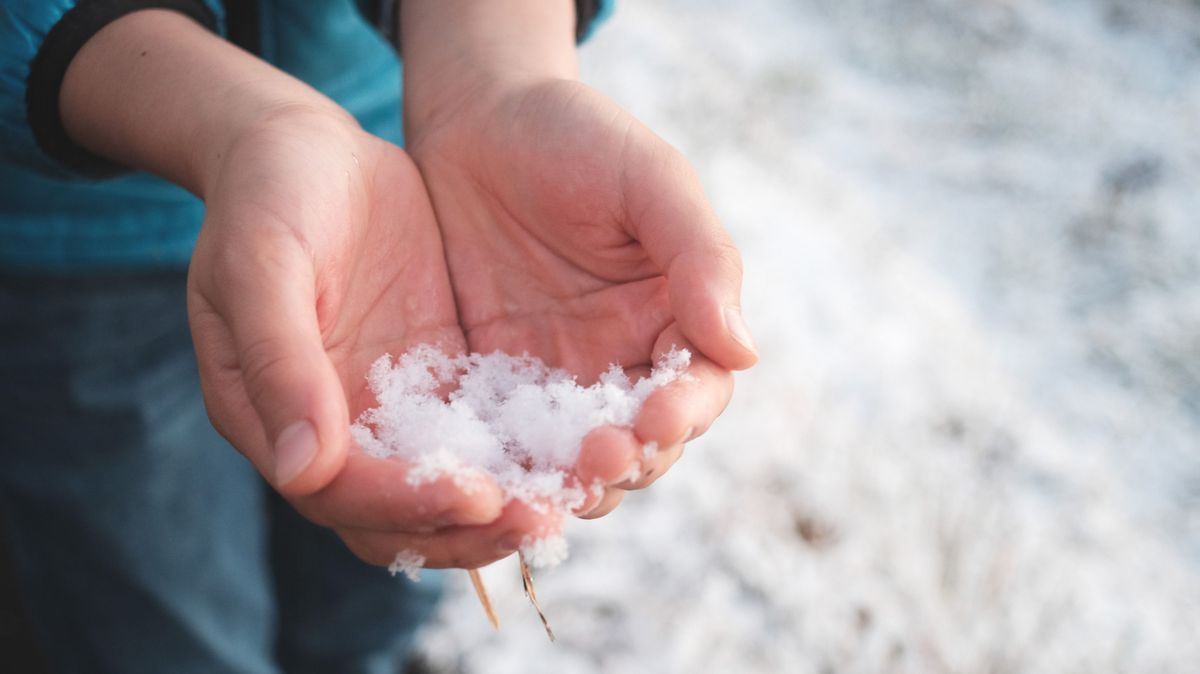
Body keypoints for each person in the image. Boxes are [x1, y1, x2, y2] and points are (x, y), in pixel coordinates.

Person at [0, 1, 758, 671]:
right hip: (72, 247)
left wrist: (498, 80)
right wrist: (244, 125)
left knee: (385, 581)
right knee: (160, 615)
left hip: (402, 190)